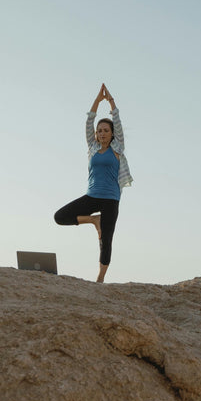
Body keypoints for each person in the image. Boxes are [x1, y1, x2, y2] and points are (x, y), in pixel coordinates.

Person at [53, 83, 133, 283]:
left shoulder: (117, 148)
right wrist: (97, 100)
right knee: (60, 216)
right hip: (92, 195)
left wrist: (111, 102)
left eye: (106, 130)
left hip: (111, 199)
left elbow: (118, 121)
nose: (102, 133)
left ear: (112, 134)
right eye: (100, 131)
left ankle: (100, 279)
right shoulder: (93, 147)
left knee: (106, 242)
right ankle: (93, 220)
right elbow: (89, 121)